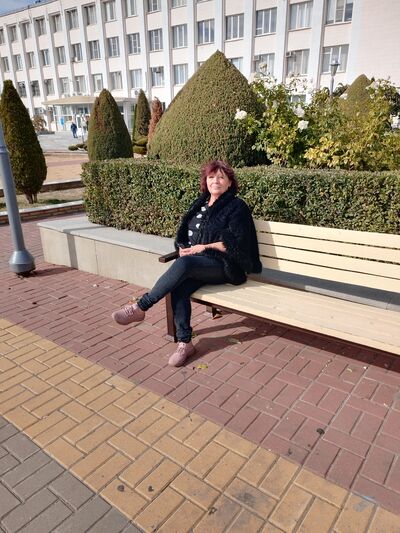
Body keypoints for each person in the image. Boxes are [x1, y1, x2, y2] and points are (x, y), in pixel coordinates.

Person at [112, 160, 262, 367]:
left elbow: (239, 244)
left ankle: (141, 306)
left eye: (221, 177)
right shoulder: (200, 203)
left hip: (225, 265)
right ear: (205, 181)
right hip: (199, 264)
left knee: (185, 265)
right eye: (211, 177)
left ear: (229, 183)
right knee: (179, 288)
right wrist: (183, 247)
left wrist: (205, 247)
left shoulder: (237, 207)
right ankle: (185, 343)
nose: (215, 181)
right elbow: (186, 234)